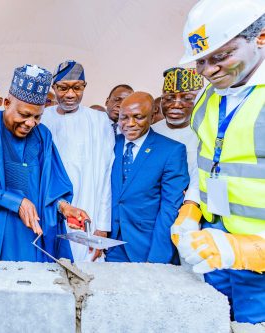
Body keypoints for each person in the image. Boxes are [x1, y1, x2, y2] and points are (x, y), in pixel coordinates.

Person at [172, 0, 265, 324]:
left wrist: (249, 249)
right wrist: (191, 208)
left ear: (261, 37)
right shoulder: (210, 97)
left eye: (221, 56)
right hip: (216, 249)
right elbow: (211, 164)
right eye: (200, 61)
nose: (208, 70)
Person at [0, 64, 90, 262]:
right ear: (7, 103)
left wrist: (64, 207)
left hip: (33, 232)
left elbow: (51, 183)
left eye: (37, 117)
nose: (30, 123)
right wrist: (14, 201)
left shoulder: (42, 136)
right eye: (25, 115)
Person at [42, 60, 114, 261]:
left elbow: (106, 174)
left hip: (89, 212)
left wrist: (102, 227)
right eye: (63, 88)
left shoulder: (99, 121)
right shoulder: (42, 120)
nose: (70, 94)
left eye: (77, 87)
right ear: (54, 87)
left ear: (85, 87)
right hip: (50, 210)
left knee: (87, 275)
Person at [106, 92, 189, 264]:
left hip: (147, 245)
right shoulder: (111, 142)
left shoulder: (172, 151)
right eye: (124, 118)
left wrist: (157, 258)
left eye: (138, 117)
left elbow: (170, 209)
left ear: (152, 116)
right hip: (110, 243)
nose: (130, 124)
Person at [152, 68, 203, 207]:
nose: (176, 104)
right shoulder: (151, 132)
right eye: (169, 98)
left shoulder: (205, 132)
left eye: (187, 98)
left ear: (199, 100)